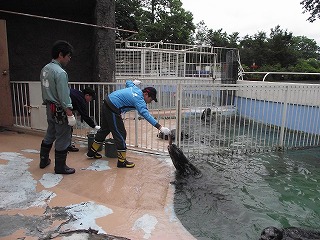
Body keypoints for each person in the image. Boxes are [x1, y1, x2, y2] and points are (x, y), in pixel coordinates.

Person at [86, 80, 171, 168]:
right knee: (120, 134)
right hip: (113, 109)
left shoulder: (134, 88)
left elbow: (128, 82)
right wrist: (160, 127)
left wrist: (133, 82)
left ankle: (91, 152)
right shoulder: (139, 100)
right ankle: (121, 162)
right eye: (151, 99)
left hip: (107, 103)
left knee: (104, 130)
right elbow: (146, 115)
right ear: (145, 94)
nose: (150, 101)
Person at [39, 40, 76, 174]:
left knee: (51, 133)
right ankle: (60, 167)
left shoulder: (45, 69)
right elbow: (64, 96)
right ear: (61, 54)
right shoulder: (60, 72)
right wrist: (70, 114)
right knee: (63, 136)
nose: (69, 59)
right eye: (68, 56)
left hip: (49, 107)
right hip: (59, 109)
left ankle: (44, 160)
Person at [67, 87, 101, 152]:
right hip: (62, 110)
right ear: (87, 95)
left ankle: (67, 145)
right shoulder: (80, 99)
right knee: (66, 129)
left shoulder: (77, 92)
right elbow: (84, 115)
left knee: (66, 128)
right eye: (90, 98)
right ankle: (65, 147)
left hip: (58, 106)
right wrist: (94, 126)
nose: (90, 101)